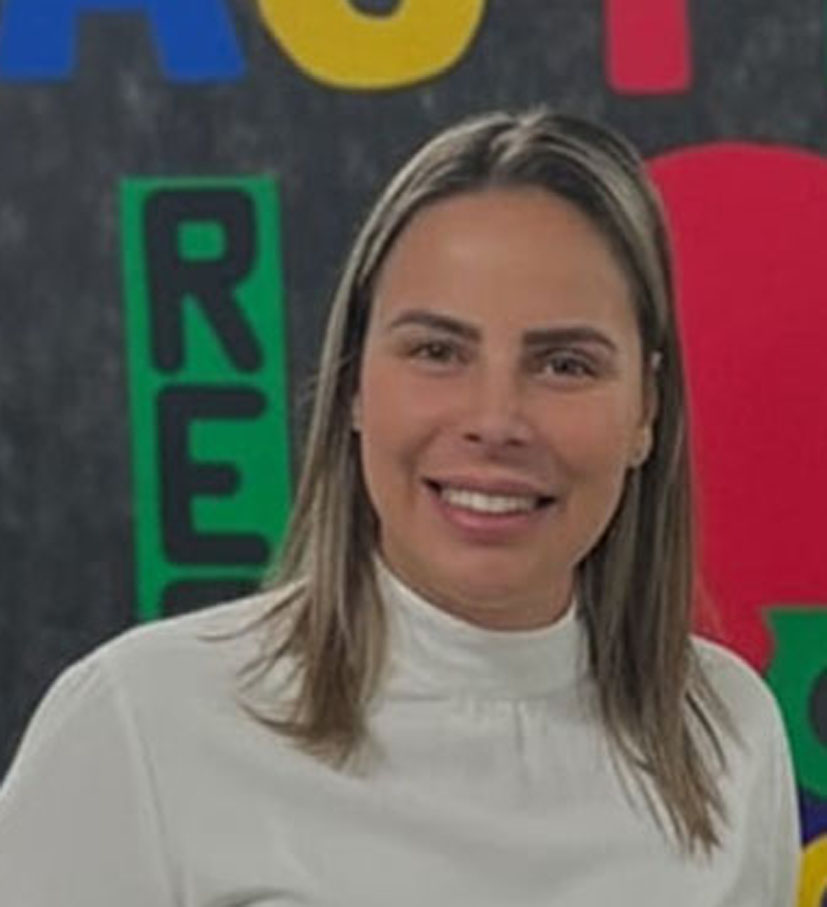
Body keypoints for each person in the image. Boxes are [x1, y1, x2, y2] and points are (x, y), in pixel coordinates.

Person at [0, 108, 800, 905]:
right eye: (436, 351)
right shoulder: (144, 721)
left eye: (564, 363)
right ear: (354, 382)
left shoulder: (727, 730)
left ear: (645, 409)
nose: (495, 420)